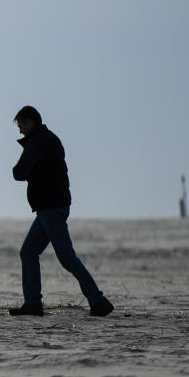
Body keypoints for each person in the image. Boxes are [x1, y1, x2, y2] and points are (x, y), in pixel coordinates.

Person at [9, 106, 114, 317]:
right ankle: (33, 303)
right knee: (28, 252)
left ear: (30, 123)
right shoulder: (48, 139)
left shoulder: (38, 142)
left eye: (21, 126)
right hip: (52, 207)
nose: (20, 131)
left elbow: (19, 172)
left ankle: (98, 300)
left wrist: (22, 169)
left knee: (66, 257)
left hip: (51, 207)